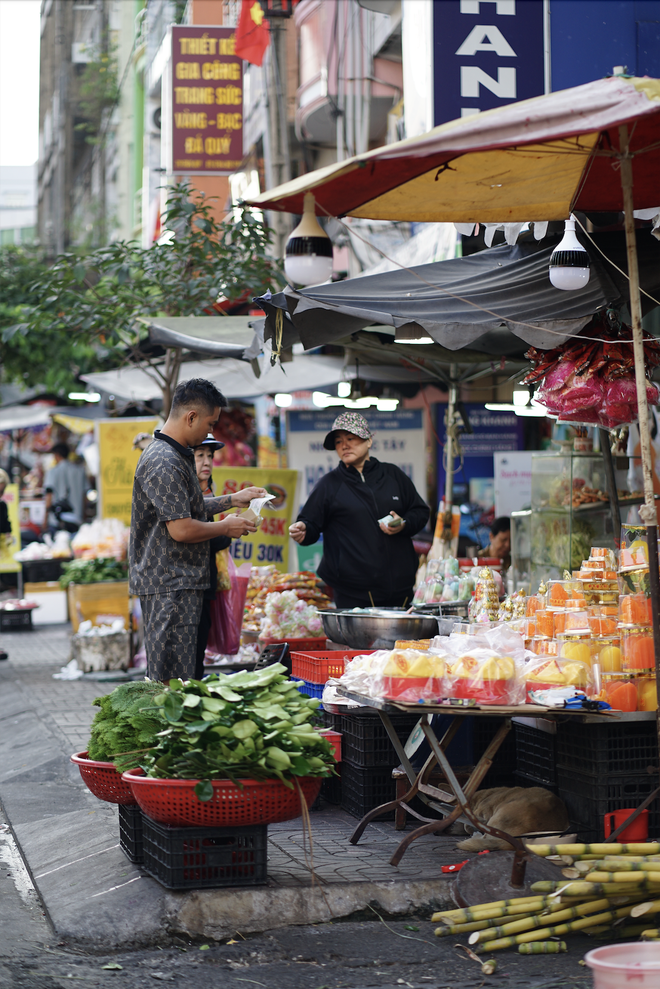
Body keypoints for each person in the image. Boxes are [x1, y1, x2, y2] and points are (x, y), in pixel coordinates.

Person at [129, 379, 267, 682]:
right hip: (170, 587)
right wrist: (226, 525)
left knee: (186, 677)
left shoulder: (175, 454)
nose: (210, 432)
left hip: (180, 584)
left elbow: (186, 508)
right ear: (191, 417)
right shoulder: (164, 460)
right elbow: (180, 529)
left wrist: (232, 499)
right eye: (210, 424)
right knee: (173, 683)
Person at [289, 412, 429, 609]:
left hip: (401, 589)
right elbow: (310, 524)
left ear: (369, 440)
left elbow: (420, 511)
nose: (344, 446)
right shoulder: (329, 484)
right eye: (338, 441)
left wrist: (403, 524)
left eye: (351, 438)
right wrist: (303, 530)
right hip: (352, 593)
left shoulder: (393, 475)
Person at [192, 432, 231, 678]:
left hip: (205, 584)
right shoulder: (186, 493)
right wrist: (226, 531)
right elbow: (197, 536)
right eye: (199, 456)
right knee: (191, 657)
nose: (206, 462)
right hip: (190, 586)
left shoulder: (207, 491)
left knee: (198, 655)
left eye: (209, 456)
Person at [44, 443, 87, 529]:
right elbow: (84, 495)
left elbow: (49, 495)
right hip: (76, 518)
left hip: (57, 520)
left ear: (57, 455)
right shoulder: (80, 471)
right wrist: (83, 515)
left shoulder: (52, 472)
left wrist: (45, 519)